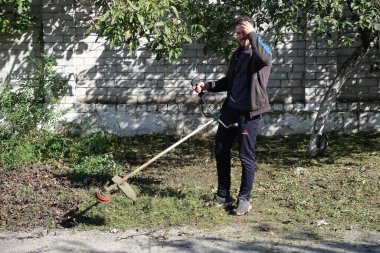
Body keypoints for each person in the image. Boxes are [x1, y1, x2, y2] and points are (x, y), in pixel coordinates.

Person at [193, 16, 272, 215]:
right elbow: (229, 81)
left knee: (246, 156)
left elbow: (265, 59)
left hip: (250, 113)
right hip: (231, 110)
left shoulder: (260, 52)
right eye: (237, 33)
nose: (240, 36)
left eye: (243, 32)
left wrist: (253, 33)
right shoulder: (237, 55)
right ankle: (223, 194)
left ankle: (244, 199)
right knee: (221, 150)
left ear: (251, 31)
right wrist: (208, 86)